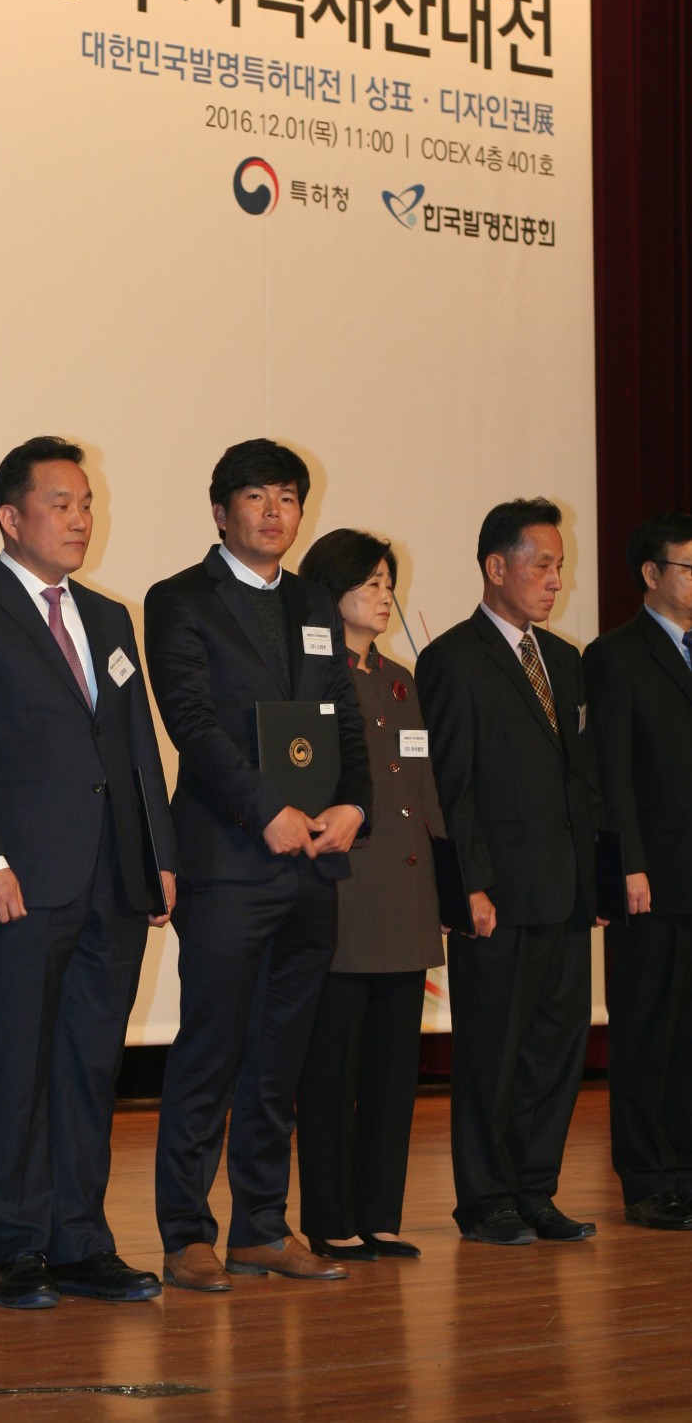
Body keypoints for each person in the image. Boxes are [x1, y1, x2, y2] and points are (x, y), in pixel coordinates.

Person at [0, 437, 177, 1310]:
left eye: (86, 503)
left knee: (91, 1062)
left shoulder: (108, 616)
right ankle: (16, 1245)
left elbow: (137, 747)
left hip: (113, 876)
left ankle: (80, 1240)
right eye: (60, 503)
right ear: (10, 516)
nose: (80, 518)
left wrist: (159, 854)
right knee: (19, 1062)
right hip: (21, 878)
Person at [144, 439, 371, 1291]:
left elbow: (343, 714)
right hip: (229, 857)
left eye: (287, 497)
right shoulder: (179, 599)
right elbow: (192, 722)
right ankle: (186, 1232)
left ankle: (263, 1227)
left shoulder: (313, 601)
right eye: (256, 496)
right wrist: (265, 809)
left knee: (281, 1056)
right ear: (220, 510)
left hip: (312, 861)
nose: (275, 512)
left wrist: (355, 804)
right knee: (212, 1049)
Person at [415, 497, 602, 1245]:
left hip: (564, 889)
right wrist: (469, 885)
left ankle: (535, 1190)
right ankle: (485, 1199)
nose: (556, 580)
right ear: (497, 567)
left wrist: (594, 878)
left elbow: (580, 781)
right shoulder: (452, 658)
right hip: (496, 892)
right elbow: (449, 787)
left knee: (555, 1051)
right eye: (543, 565)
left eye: (560, 566)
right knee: (491, 1053)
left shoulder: (565, 660)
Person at [294, 530, 444, 1261]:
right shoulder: (311, 675)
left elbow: (424, 792)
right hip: (346, 896)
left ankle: (380, 1214)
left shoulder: (400, 678)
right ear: (331, 590)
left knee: (392, 1072)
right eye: (371, 582)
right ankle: (330, 1217)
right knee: (331, 1072)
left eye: (389, 582)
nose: (386, 595)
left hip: (406, 898)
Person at [583, 513, 692, 1231]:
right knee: (649, 1030)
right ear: (651, 574)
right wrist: (628, 864)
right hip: (653, 876)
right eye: (690, 567)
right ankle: (649, 1180)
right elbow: (610, 771)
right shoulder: (617, 654)